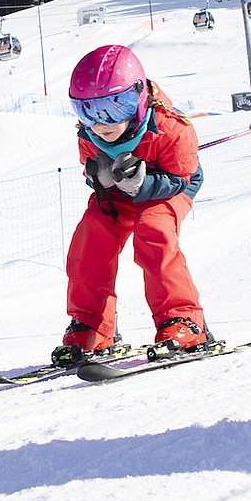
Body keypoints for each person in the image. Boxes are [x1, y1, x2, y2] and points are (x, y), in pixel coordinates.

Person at [53, 44, 215, 366]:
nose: (102, 123)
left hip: (167, 190)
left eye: (116, 106)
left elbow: (183, 178)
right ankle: (92, 328)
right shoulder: (89, 135)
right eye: (88, 110)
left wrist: (145, 185)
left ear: (139, 98)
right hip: (118, 196)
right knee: (91, 238)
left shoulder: (171, 127)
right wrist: (100, 177)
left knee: (153, 233)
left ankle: (183, 321)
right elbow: (92, 173)